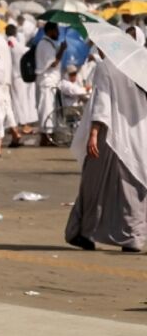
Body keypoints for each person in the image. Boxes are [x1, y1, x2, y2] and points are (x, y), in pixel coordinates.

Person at [65, 47, 146, 253]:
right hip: (137, 137)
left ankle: (83, 232)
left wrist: (93, 133)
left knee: (94, 186)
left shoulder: (106, 67)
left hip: (110, 136)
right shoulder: (138, 66)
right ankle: (133, 235)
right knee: (131, 187)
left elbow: (102, 103)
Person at [35, 22, 67, 146]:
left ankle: (49, 136)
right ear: (50, 31)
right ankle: (45, 137)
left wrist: (60, 49)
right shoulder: (44, 44)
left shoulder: (49, 44)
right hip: (46, 82)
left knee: (50, 109)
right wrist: (62, 50)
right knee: (46, 109)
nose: (58, 33)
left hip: (51, 82)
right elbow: (53, 63)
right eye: (56, 30)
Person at [6, 24, 38, 133]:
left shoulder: (7, 42)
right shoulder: (14, 43)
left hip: (10, 76)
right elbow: (24, 51)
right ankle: (24, 125)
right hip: (18, 76)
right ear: (15, 32)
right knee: (20, 101)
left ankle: (14, 124)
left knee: (14, 101)